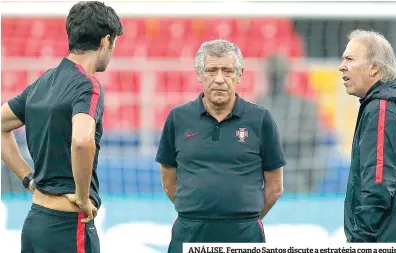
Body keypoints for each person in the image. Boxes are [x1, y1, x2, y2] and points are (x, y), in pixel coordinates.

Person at [1, 1, 123, 252]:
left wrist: (27, 178)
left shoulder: (43, 81)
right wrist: (81, 196)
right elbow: (81, 140)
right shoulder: (88, 85)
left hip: (35, 221)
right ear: (105, 40)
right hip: (68, 225)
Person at [155, 39, 286, 252]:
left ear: (239, 74)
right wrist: (197, 209)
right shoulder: (178, 118)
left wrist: (244, 216)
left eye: (227, 71)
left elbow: (275, 186)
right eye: (211, 70)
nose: (219, 79)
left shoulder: (260, 119)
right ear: (199, 74)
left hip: (244, 233)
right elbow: (169, 179)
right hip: (190, 230)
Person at [340, 29, 396, 242]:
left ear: (374, 68)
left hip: (381, 240)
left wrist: (360, 240)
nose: (341, 66)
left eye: (350, 59)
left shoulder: (382, 109)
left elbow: (378, 185)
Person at [258, 54, 326, 193]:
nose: (276, 74)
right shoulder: (254, 107)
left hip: (297, 171)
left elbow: (313, 143)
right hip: (263, 174)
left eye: (279, 71)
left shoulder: (304, 106)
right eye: (273, 71)